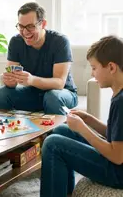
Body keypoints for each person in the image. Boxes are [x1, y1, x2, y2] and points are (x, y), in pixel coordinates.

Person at [40, 35, 123, 197]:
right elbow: (117, 137)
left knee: (52, 144)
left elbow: (117, 156)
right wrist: (89, 120)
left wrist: (83, 129)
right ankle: (66, 192)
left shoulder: (121, 101)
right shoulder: (118, 93)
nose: (92, 74)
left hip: (118, 173)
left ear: (111, 67)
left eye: (94, 68)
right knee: (62, 130)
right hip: (117, 164)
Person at [0, 2, 77, 115]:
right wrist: (10, 81)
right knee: (1, 94)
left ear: (43, 24)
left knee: (52, 96)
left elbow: (59, 83)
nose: (25, 32)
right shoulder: (16, 42)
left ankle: (54, 132)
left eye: (30, 26)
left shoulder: (60, 41)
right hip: (32, 93)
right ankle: (11, 131)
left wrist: (32, 80)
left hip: (62, 93)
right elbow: (11, 80)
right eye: (21, 26)